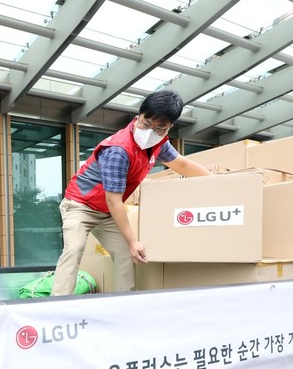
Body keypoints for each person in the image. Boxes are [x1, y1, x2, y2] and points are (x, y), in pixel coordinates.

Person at [51, 90, 212, 296]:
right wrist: (132, 240)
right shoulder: (118, 150)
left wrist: (215, 182)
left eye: (159, 128)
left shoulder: (158, 143)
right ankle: (57, 303)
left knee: (126, 255)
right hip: (80, 206)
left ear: (169, 127)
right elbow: (114, 201)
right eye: (146, 124)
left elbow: (182, 164)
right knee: (74, 249)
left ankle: (124, 303)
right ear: (138, 118)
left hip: (107, 212)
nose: (150, 131)